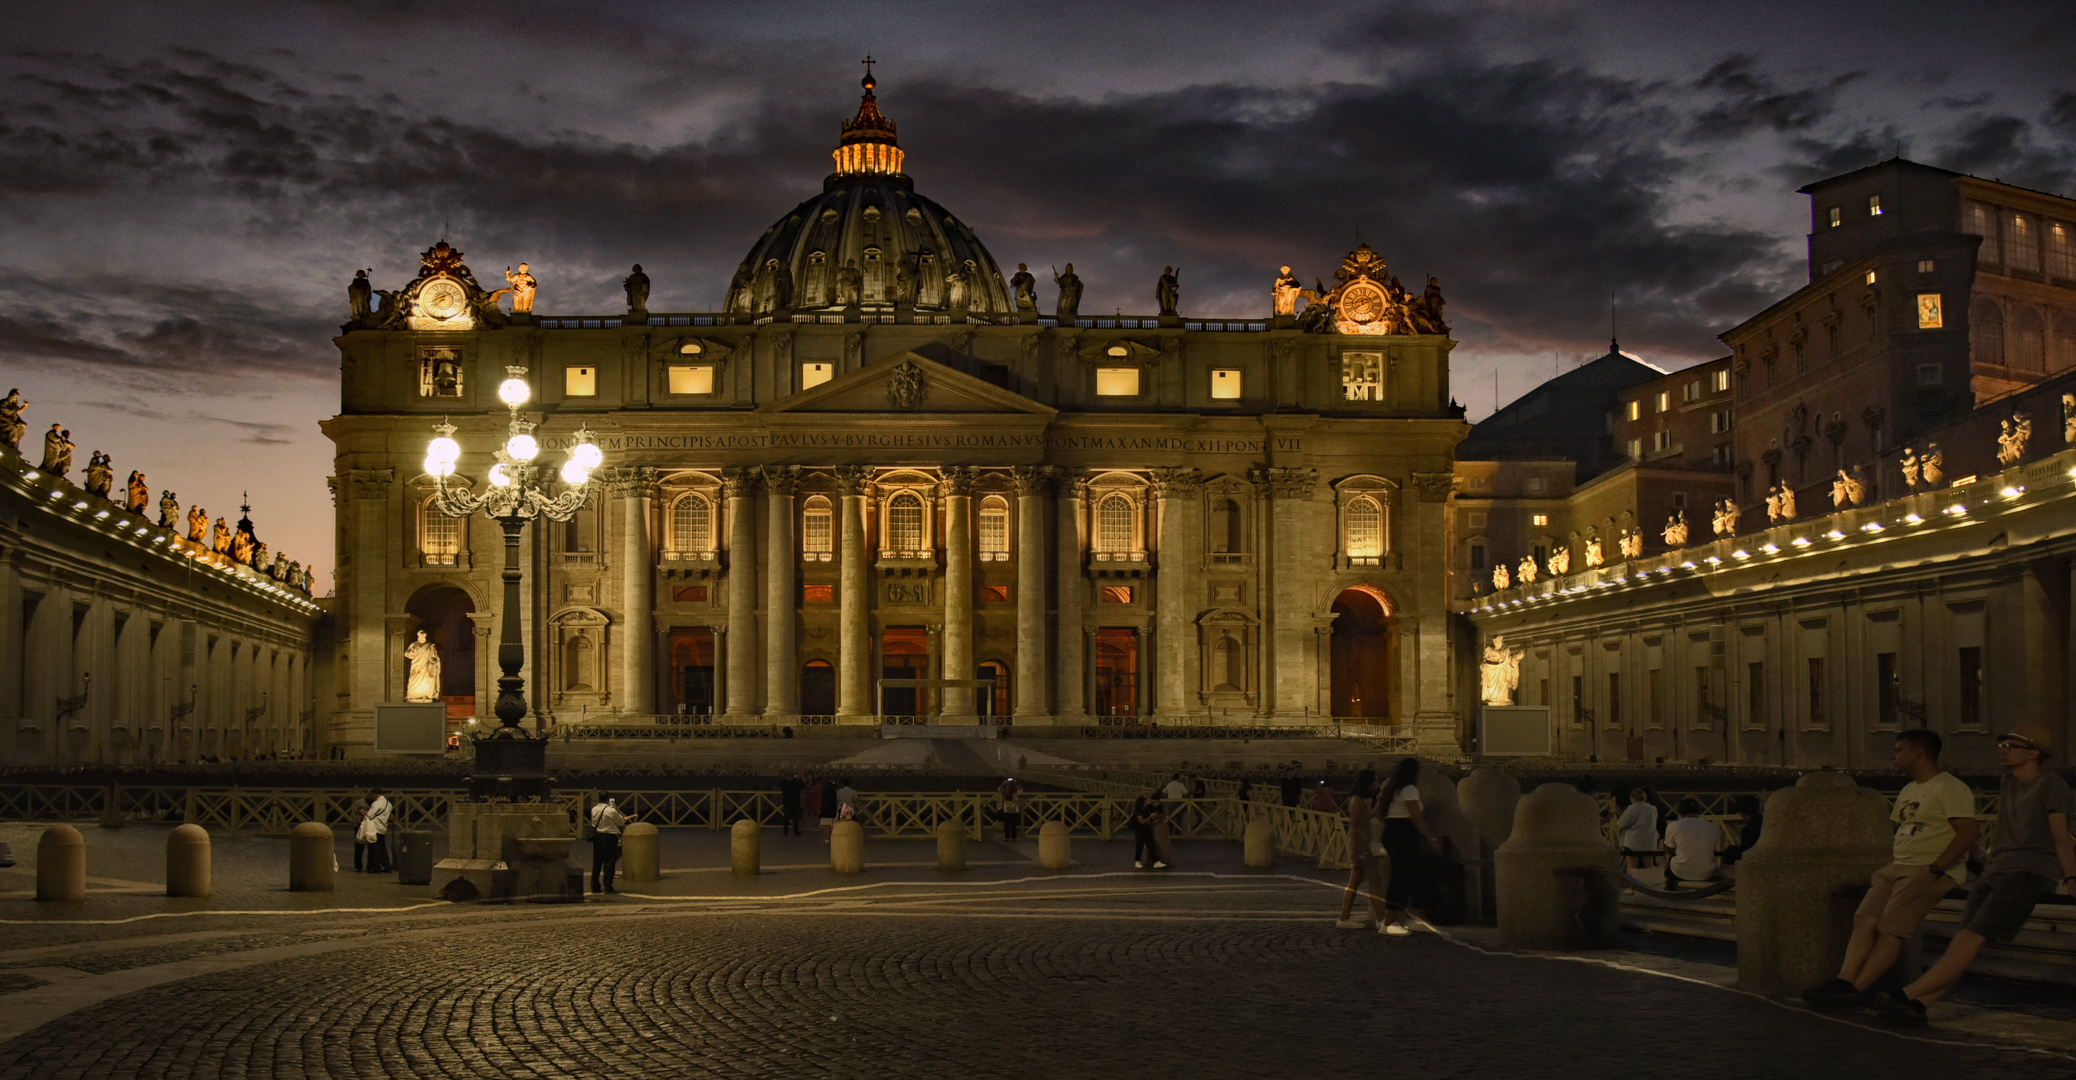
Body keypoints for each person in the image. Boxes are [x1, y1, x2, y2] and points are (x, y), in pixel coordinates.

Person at [1877, 723, 2075, 1026]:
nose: (2003, 751)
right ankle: (1919, 1005)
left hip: (2027, 871)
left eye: (2012, 746)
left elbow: (2061, 835)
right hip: (1997, 868)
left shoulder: (2052, 785)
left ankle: (1907, 994)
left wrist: (2071, 878)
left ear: (2034, 753)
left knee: (1970, 937)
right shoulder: (2009, 782)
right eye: (2002, 745)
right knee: (1963, 941)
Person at [1804, 729, 1978, 1009]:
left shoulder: (1949, 787)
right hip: (1898, 866)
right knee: (1864, 920)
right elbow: (1902, 829)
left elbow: (1967, 832)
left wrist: (1936, 868)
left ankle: (1856, 991)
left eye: (1899, 750)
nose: (1893, 756)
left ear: (1917, 753)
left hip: (1926, 868)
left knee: (1890, 931)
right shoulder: (1909, 789)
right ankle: (1844, 982)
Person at [1378, 757, 1445, 934]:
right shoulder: (1409, 790)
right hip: (1404, 833)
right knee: (1402, 876)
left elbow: (1377, 811)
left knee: (1417, 873)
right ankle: (1389, 922)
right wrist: (1431, 839)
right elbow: (1416, 817)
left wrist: (1391, 826)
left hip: (1395, 831)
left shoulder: (1393, 789)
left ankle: (1414, 917)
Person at [1336, 769, 1390, 931]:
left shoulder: (1363, 800)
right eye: (1374, 781)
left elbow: (1370, 818)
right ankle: (1381, 919)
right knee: (1374, 880)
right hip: (1362, 847)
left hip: (1366, 845)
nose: (1377, 785)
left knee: (1356, 883)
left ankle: (1345, 917)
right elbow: (1353, 827)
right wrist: (1354, 851)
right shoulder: (1357, 801)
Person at [1661, 797, 1722, 890]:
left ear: (1680, 813)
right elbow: (1716, 849)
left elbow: (1668, 849)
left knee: (1670, 855)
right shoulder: (1714, 827)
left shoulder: (1674, 826)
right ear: (1699, 811)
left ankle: (1669, 884)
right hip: (1707, 872)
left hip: (1681, 871)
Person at [589, 794, 635, 894]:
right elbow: (621, 822)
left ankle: (594, 886)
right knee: (609, 862)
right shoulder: (611, 810)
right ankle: (608, 886)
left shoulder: (594, 809)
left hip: (597, 837)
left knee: (597, 862)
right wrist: (614, 809)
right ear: (607, 799)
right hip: (609, 837)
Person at [1616, 788, 1660, 870]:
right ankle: (1651, 882)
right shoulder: (1653, 808)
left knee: (1632, 866)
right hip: (1649, 840)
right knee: (1649, 865)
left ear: (1632, 798)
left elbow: (1621, 823)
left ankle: (1632, 882)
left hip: (1633, 841)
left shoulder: (1632, 808)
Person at [1721, 795, 1764, 865]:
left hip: (1754, 861)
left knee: (1731, 850)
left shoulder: (1749, 829)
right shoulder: (1764, 822)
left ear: (1741, 812)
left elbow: (1746, 850)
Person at [360, 789, 393, 873]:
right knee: (382, 848)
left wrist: (365, 813)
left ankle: (376, 867)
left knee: (374, 848)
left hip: (374, 827)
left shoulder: (376, 803)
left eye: (372, 794)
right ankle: (387, 866)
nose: (371, 797)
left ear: (376, 794)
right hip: (383, 827)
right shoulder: (388, 803)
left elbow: (370, 815)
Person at [1132, 794, 1167, 869]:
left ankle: (1156, 862)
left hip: (1146, 829)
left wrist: (1153, 817)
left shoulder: (1145, 809)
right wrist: (1150, 817)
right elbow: (1142, 821)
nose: (1146, 803)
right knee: (1139, 846)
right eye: (1144, 802)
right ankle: (1137, 861)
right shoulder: (1138, 811)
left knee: (1151, 846)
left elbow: (1147, 820)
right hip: (1140, 830)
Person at [348, 791, 371, 872]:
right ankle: (358, 866)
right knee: (359, 848)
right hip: (360, 826)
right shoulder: (360, 803)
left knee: (369, 847)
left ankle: (368, 866)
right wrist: (354, 825)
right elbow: (353, 814)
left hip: (369, 826)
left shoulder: (361, 803)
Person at [801, 772, 823, 836]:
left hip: (815, 800)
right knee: (809, 813)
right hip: (808, 800)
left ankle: (814, 825)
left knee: (815, 813)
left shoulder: (816, 784)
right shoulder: (806, 784)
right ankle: (810, 825)